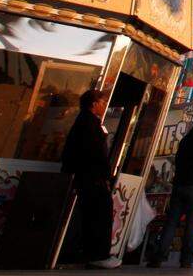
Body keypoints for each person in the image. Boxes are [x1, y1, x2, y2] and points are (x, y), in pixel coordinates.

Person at [147, 109, 193, 267]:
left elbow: (178, 160)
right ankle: (186, 260)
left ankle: (158, 257)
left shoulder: (186, 139)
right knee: (191, 224)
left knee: (171, 222)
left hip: (180, 185)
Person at [61, 89, 117, 268]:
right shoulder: (90, 124)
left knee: (90, 216)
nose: (105, 106)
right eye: (103, 102)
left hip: (86, 177)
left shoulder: (84, 122)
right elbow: (96, 154)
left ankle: (90, 253)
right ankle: (99, 255)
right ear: (94, 104)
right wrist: (105, 175)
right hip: (92, 178)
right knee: (99, 216)